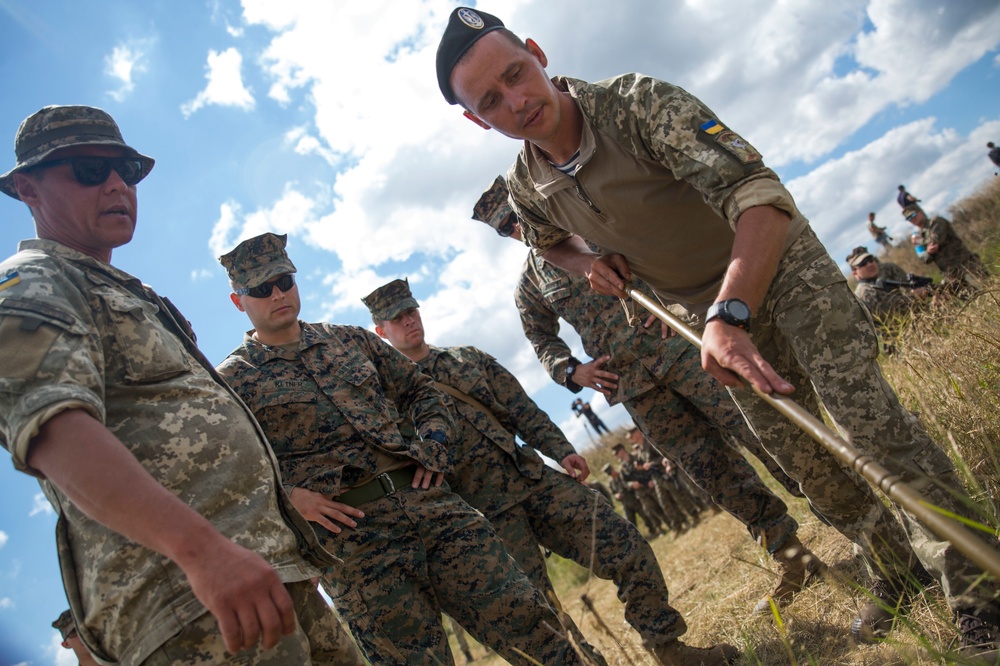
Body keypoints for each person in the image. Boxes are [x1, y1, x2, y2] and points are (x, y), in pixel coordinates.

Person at [437, 8, 1000, 654]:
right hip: (704, 318)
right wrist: (592, 262)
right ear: (476, 119)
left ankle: (979, 588)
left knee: (866, 424)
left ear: (536, 51)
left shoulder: (636, 105)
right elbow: (546, 244)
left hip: (778, 272)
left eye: (516, 73)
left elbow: (758, 194)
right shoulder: (526, 188)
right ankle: (898, 569)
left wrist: (732, 313)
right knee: (808, 463)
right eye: (491, 100)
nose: (516, 100)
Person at [0, 105, 363, 666]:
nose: (118, 184)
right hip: (190, 605)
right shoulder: (33, 285)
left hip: (263, 578)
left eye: (127, 170)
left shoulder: (124, 292)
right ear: (29, 188)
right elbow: (53, 429)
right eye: (91, 171)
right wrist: (202, 553)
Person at [217, 233, 593, 666]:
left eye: (284, 280)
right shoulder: (233, 382)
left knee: (534, 631)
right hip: (356, 548)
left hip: (433, 508)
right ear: (237, 300)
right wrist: (288, 497)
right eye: (261, 289)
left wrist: (434, 444)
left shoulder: (351, 342)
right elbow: (233, 470)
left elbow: (422, 390)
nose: (278, 294)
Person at [475, 176, 823, 614]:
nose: (516, 228)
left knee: (765, 435)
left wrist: (669, 299)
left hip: (685, 353)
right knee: (712, 470)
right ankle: (792, 556)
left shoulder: (598, 227)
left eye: (514, 216)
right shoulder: (533, 280)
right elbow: (539, 336)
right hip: (634, 388)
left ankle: (847, 517)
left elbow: (666, 252)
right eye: (506, 228)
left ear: (528, 204)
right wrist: (572, 371)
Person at [364, 276, 712, 663]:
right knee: (540, 617)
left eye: (411, 311)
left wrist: (561, 451)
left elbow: (522, 410)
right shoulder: (386, 399)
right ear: (382, 331)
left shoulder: (467, 359)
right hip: (482, 517)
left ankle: (669, 647)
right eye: (397, 318)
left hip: (530, 479)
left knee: (623, 542)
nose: (408, 321)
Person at [903, 203, 988, 291]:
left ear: (920, 212)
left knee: (989, 287)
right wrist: (928, 252)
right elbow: (924, 259)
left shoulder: (936, 222)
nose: (912, 219)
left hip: (966, 264)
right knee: (972, 298)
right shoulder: (918, 235)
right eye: (908, 218)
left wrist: (919, 242)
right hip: (951, 275)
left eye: (913, 215)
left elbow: (936, 240)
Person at [847, 247, 931, 332]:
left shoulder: (876, 282)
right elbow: (897, 312)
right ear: (855, 273)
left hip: (913, 328)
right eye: (863, 264)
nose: (869, 264)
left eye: (871, 260)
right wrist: (916, 296)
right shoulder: (866, 292)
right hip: (902, 337)